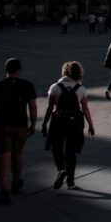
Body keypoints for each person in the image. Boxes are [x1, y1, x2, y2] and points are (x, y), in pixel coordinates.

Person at [0, 58, 37, 205]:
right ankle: (16, 181)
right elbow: (33, 107)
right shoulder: (26, 85)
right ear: (19, 70)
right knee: (17, 155)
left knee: (4, 157)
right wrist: (33, 124)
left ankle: (4, 190)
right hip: (20, 125)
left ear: (6, 70)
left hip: (2, 125)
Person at [42, 61, 95, 190]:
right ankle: (71, 181)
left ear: (65, 72)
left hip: (59, 121)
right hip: (75, 122)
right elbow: (85, 108)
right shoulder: (81, 88)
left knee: (57, 148)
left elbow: (50, 107)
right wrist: (90, 125)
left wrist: (44, 123)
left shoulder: (55, 87)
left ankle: (61, 170)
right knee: (70, 152)